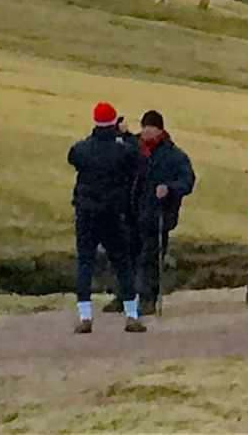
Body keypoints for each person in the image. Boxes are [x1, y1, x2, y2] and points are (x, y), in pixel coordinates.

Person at [67, 101, 145, 333]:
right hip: (112, 213)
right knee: (122, 261)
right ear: (114, 123)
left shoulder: (82, 149)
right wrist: (126, 135)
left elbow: (73, 156)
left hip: (86, 212)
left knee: (85, 262)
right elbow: (137, 158)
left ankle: (85, 316)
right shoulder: (123, 150)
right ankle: (131, 314)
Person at [130, 110, 196, 316]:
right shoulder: (133, 149)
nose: (147, 131)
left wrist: (169, 188)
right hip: (133, 212)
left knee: (150, 257)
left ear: (160, 129)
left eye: (151, 127)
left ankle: (148, 298)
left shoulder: (174, 156)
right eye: (144, 126)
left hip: (158, 214)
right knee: (130, 255)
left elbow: (187, 181)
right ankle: (127, 295)